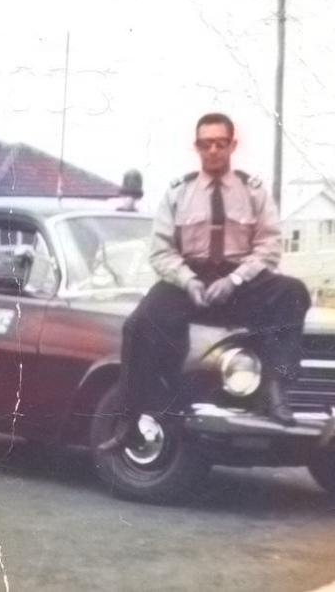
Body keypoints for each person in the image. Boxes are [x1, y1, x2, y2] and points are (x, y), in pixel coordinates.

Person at [100, 112, 311, 451]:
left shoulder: (253, 191)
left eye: (220, 143)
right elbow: (161, 252)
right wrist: (188, 281)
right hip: (191, 280)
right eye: (205, 144)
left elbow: (269, 245)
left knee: (292, 293)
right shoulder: (177, 193)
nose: (212, 150)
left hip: (240, 282)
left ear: (232, 145)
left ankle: (275, 392)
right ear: (196, 147)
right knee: (138, 325)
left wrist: (235, 279)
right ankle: (131, 420)